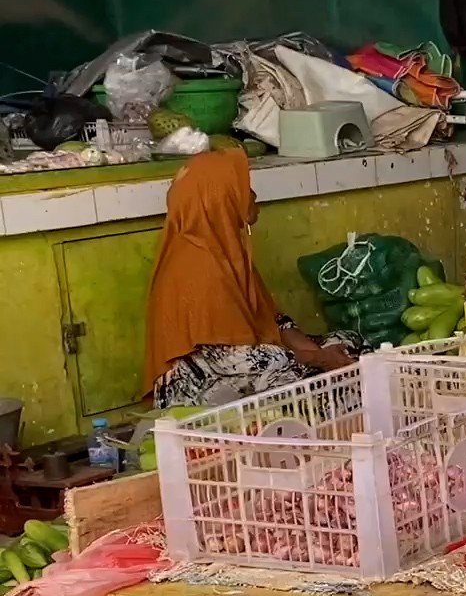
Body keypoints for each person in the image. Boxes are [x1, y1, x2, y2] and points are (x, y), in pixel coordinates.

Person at [145, 148, 361, 408]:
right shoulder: (195, 265)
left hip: (248, 360)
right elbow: (227, 358)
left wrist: (320, 353)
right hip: (202, 383)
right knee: (314, 386)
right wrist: (317, 360)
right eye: (244, 188)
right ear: (220, 197)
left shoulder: (226, 248)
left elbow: (271, 319)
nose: (254, 196)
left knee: (351, 344)